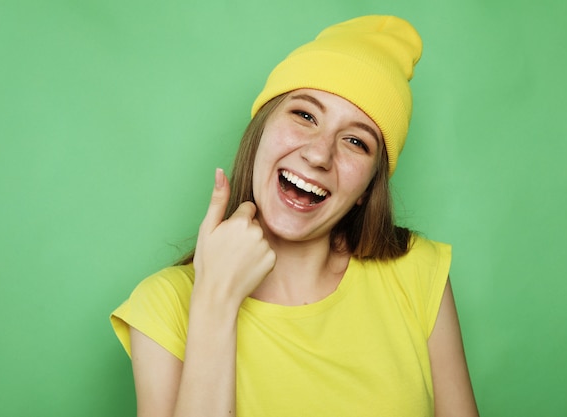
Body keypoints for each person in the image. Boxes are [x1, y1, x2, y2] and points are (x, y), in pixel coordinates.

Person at [110, 15, 479, 417]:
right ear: (261, 130)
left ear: (367, 190)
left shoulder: (418, 273)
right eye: (305, 115)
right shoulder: (163, 305)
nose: (319, 155)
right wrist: (215, 300)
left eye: (356, 141)